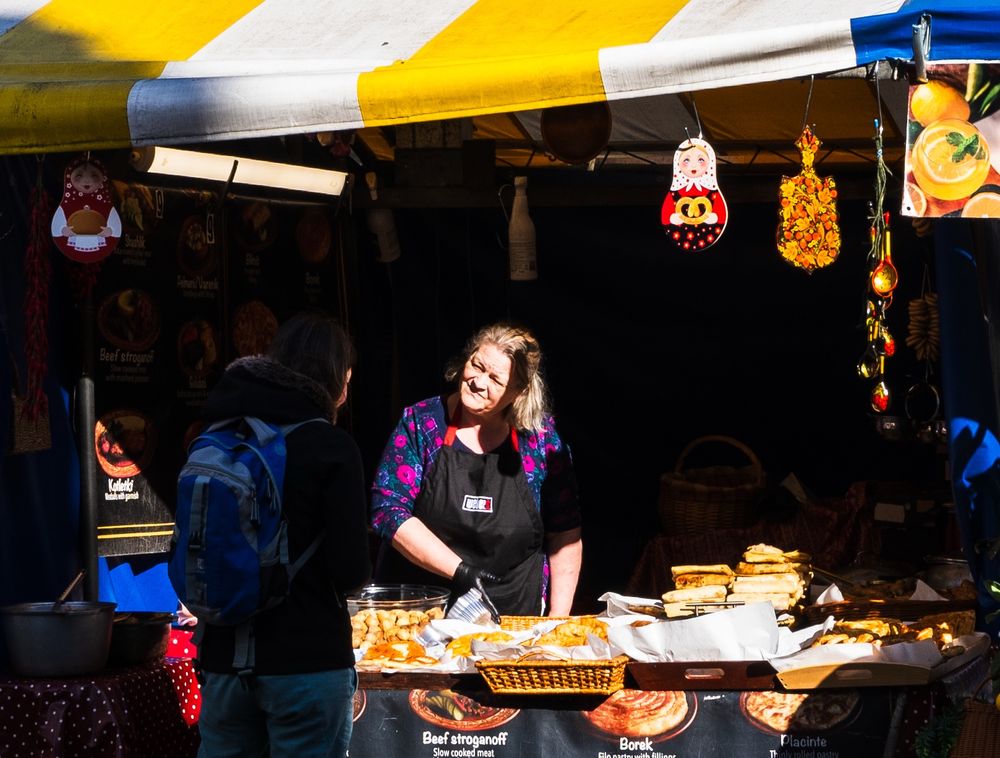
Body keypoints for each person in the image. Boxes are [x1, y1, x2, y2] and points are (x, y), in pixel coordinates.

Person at [195, 311, 371, 758]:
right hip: (306, 664)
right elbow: (350, 570)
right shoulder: (332, 447)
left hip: (223, 662)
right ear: (338, 379)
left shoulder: (221, 433)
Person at [371, 322, 582, 618]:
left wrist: (557, 622)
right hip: (424, 612)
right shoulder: (422, 423)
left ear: (518, 392)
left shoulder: (541, 439)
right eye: (477, 365)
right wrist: (460, 570)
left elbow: (564, 533)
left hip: (513, 615)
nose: (478, 382)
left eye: (495, 379)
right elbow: (388, 510)